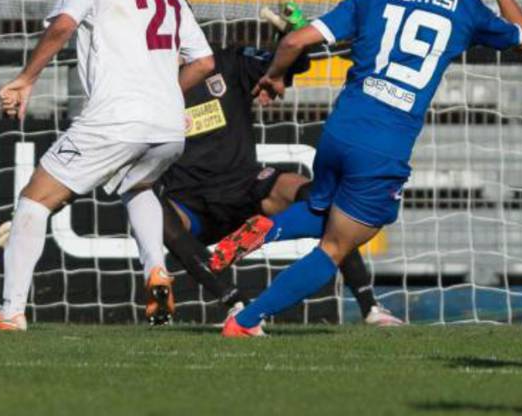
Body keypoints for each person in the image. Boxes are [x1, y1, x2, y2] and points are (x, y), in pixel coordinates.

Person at [210, 0, 522, 337]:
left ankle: (267, 228)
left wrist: (273, 75)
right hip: (384, 143)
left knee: (321, 210)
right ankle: (247, 321)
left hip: (339, 131)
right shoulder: (464, 7)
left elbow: (292, 42)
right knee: (336, 246)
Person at [0, 0, 215, 331]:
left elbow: (63, 25)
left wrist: (26, 78)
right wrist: (166, 93)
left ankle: (10, 313)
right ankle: (156, 271)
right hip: (167, 124)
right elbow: (204, 61)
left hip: (116, 118)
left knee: (33, 201)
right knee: (137, 185)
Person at [158, 37, 402, 327]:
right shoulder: (145, 84)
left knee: (317, 194)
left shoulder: (229, 61)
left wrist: (291, 36)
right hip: (190, 203)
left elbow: (294, 63)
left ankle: (369, 306)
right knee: (154, 213)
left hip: (246, 187)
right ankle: (235, 303)